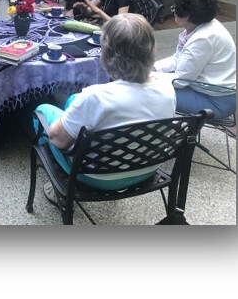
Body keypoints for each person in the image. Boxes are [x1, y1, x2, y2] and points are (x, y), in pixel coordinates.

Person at [34, 14, 176, 204]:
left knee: (43, 111)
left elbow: (58, 140)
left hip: (97, 178)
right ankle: (73, 122)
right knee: (74, 100)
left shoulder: (95, 97)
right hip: (147, 168)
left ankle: (59, 184)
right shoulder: (167, 89)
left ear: (107, 55)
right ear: (150, 51)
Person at [153, 0, 236, 120]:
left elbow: (181, 80)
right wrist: (154, 67)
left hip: (216, 102)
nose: (173, 11)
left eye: (174, 8)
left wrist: (147, 76)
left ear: (186, 16)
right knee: (153, 80)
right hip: (212, 91)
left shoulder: (203, 39)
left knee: (150, 90)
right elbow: (178, 58)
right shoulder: (202, 25)